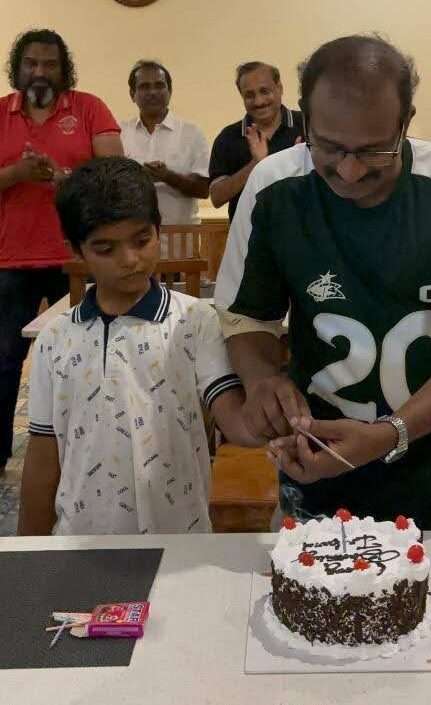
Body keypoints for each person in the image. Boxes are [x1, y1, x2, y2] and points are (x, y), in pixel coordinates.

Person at [214, 35, 431, 530]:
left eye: (374, 151)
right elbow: (248, 318)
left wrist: (390, 433)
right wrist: (263, 382)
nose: (349, 170)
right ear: (304, 119)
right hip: (314, 490)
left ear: (406, 122)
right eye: (329, 147)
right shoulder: (275, 187)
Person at [18, 157, 258, 535]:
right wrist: (29, 551)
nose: (130, 260)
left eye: (142, 240)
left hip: (179, 538)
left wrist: (273, 419)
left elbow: (234, 417)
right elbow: (43, 456)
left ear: (158, 230)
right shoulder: (55, 339)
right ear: (77, 251)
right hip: (80, 541)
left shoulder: (195, 321)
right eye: (105, 248)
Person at [0, 28, 123, 476]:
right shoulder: (0, 113)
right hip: (8, 261)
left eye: (50, 63)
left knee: (88, 360)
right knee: (3, 363)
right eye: (32, 63)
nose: (40, 71)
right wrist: (17, 173)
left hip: (80, 259)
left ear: (64, 68)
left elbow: (115, 173)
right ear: (18, 68)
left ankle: (91, 454)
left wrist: (63, 177)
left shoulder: (89, 108)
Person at [121, 60, 210, 256]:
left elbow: (204, 190)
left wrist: (167, 176)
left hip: (181, 245)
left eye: (159, 85)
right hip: (132, 247)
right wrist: (139, 177)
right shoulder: (121, 134)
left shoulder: (191, 133)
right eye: (144, 86)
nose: (153, 92)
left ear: (170, 91)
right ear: (132, 94)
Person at [209, 61, 303, 221]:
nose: (259, 101)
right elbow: (217, 198)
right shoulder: (228, 137)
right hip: (248, 234)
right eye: (249, 95)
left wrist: (302, 163)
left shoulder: (308, 126)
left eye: (264, 91)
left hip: (301, 231)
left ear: (280, 88)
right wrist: (255, 164)